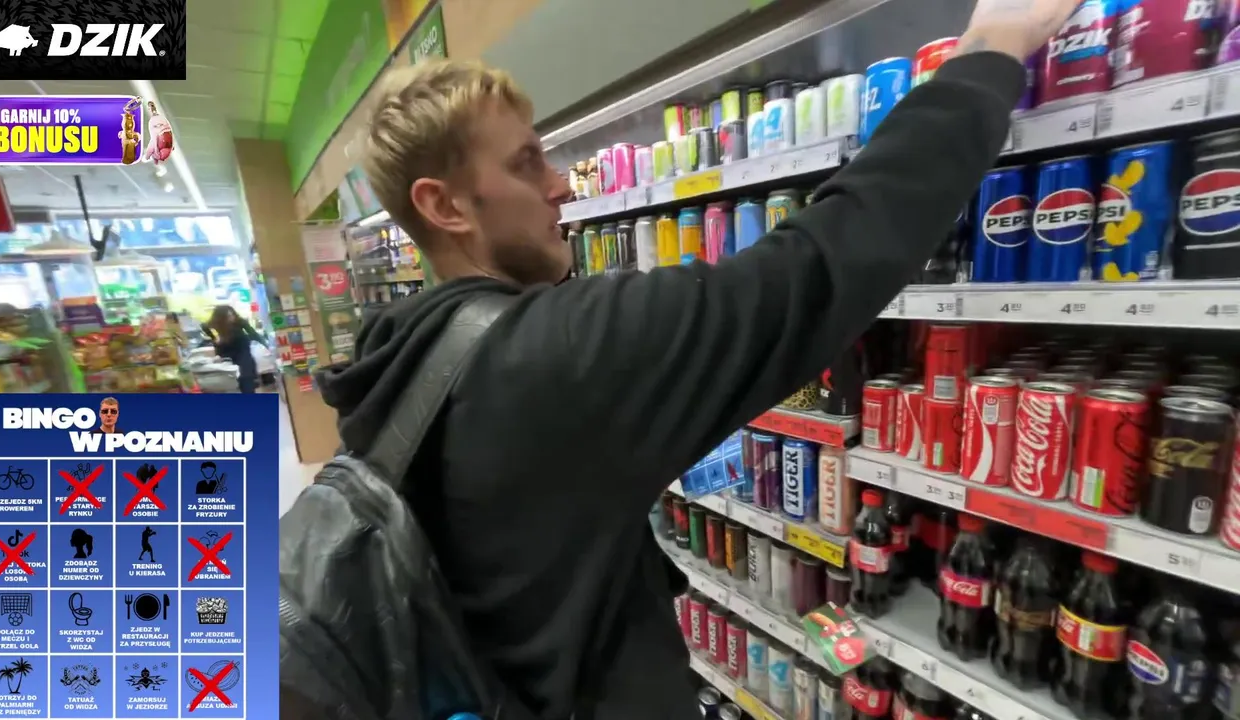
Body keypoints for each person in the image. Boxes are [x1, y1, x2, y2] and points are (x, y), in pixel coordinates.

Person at [312, 1, 1083, 718]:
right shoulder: (554, 355)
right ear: (443, 206)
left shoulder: (394, 354)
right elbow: (813, 270)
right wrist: (992, 50)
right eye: (524, 164)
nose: (558, 186)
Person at [201, 305, 265, 393]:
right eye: (229, 316)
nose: (232, 317)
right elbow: (204, 325)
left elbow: (254, 335)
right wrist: (214, 338)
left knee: (247, 385)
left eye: (232, 314)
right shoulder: (217, 328)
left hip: (243, 359)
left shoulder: (239, 324)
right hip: (227, 360)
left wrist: (263, 345)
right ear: (221, 318)